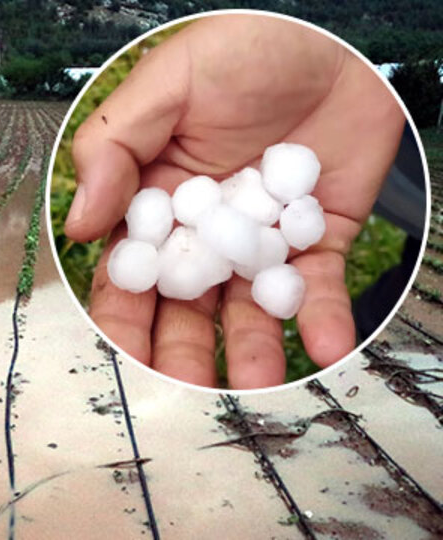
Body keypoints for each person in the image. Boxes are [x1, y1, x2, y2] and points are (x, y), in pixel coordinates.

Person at [64, 14, 407, 389]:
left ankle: (380, 335)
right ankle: (373, 330)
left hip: (394, 148)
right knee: (382, 314)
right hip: (395, 159)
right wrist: (345, 60)